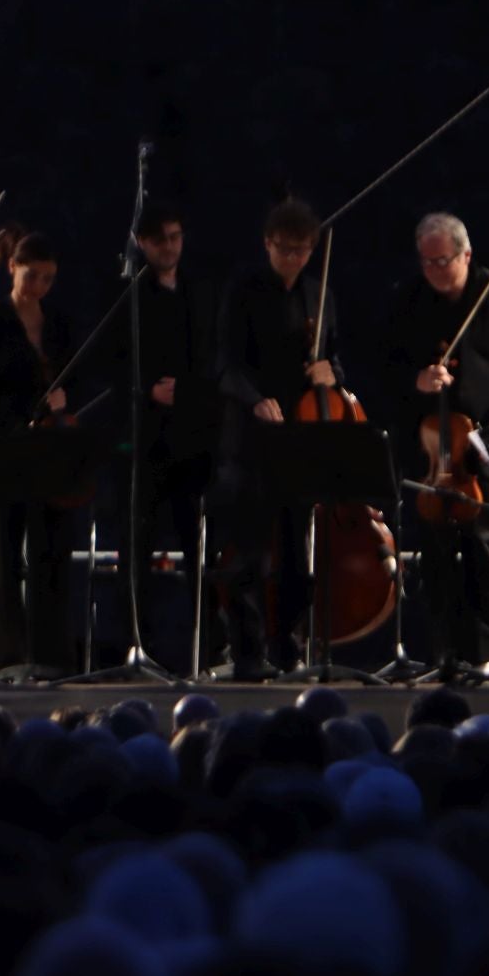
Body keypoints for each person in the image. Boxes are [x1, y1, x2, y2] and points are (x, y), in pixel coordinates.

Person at [382, 213, 489, 674]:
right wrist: (416, 379)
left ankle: (488, 656)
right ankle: (443, 653)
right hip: (433, 447)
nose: (436, 270)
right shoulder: (409, 299)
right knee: (435, 553)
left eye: (444, 261)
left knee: (485, 547)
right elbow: (385, 368)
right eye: (428, 261)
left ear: (466, 254)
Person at [211, 199, 342, 679]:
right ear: (267, 244)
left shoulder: (318, 294)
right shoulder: (243, 289)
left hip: (301, 438)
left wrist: (332, 371)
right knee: (248, 550)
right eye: (286, 249)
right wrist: (255, 399)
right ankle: (246, 651)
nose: (294, 259)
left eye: (303, 250)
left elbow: (334, 359)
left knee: (294, 551)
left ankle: (288, 645)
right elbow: (225, 364)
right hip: (250, 437)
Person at [0, 229, 82, 677]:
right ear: (11, 267)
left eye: (49, 279)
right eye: (32, 276)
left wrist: (66, 403)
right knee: (2, 560)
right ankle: (6, 661)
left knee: (53, 551)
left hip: (50, 447)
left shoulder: (60, 322)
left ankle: (53, 659)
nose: (40, 288)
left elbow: (80, 380)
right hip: (1, 445)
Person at [108, 205, 216, 661]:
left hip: (193, 440)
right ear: (143, 243)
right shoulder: (129, 297)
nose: (169, 246)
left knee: (200, 549)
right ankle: (136, 646)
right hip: (146, 440)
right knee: (139, 548)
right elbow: (115, 364)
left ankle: (208, 648)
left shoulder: (200, 293)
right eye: (159, 239)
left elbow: (214, 360)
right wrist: (149, 388)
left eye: (175, 236)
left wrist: (186, 391)